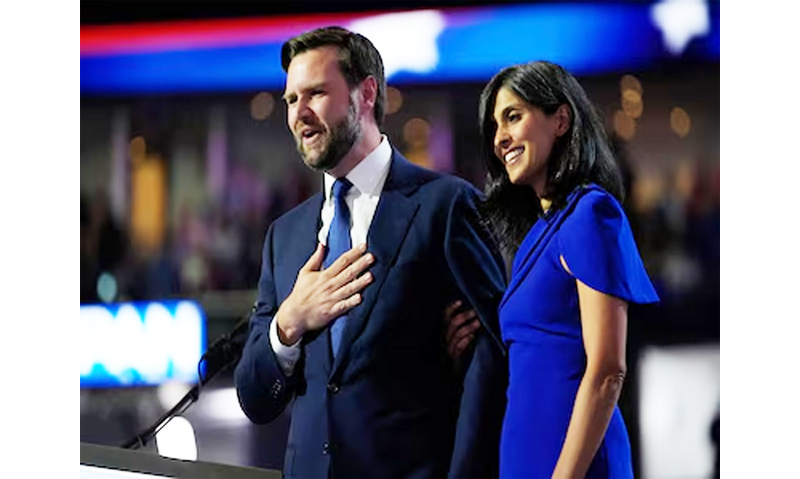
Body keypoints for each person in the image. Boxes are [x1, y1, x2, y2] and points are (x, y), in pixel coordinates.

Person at [234, 26, 507, 479]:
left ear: (366, 93)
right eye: (290, 99)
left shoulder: (445, 205)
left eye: (316, 93)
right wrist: (289, 322)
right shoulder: (284, 236)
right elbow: (255, 398)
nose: (299, 113)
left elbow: (496, 360)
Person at [476, 60, 659, 478]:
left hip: (575, 465)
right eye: (495, 126)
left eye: (513, 116)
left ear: (560, 120)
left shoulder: (590, 214)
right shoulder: (538, 233)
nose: (500, 138)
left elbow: (607, 371)